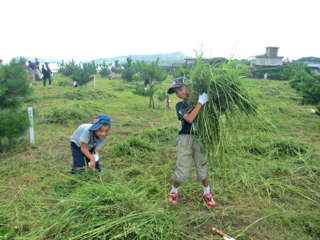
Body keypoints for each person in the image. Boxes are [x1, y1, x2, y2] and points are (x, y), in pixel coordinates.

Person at [166, 77, 215, 207]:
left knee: (202, 164)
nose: (179, 94)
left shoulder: (203, 102)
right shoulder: (180, 105)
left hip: (201, 137)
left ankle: (207, 193)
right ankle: (173, 192)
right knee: (182, 166)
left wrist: (206, 100)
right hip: (185, 139)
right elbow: (190, 119)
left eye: (180, 89)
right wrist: (201, 102)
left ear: (188, 86)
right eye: (176, 92)